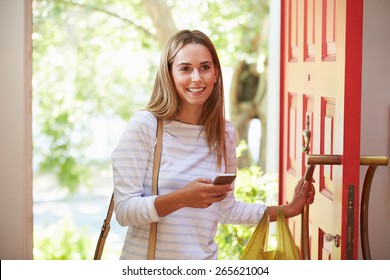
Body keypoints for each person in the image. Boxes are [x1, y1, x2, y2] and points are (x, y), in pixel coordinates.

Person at [111, 29, 315, 260]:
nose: (197, 78)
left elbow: (226, 209)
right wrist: (182, 198)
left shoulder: (224, 133)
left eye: (205, 67)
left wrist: (287, 210)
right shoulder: (145, 126)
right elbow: (125, 211)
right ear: (169, 74)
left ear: (216, 73)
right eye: (185, 68)